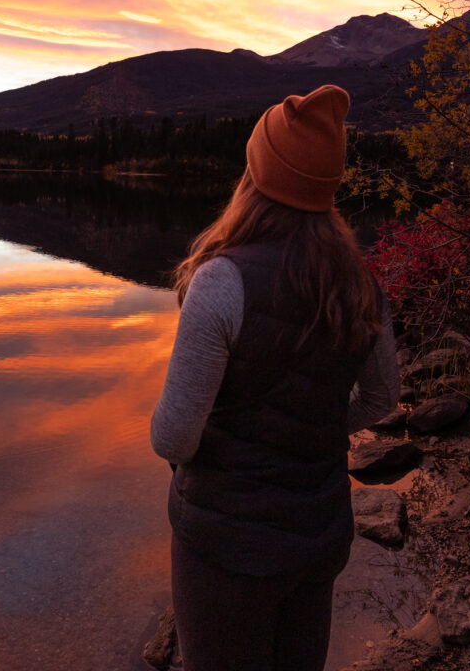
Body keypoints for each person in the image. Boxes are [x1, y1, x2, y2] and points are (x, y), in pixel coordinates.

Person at [151, 84, 400, 671]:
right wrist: (316, 427)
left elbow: (173, 439)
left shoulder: (221, 281)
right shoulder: (363, 286)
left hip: (225, 544)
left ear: (256, 174)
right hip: (319, 534)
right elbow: (384, 396)